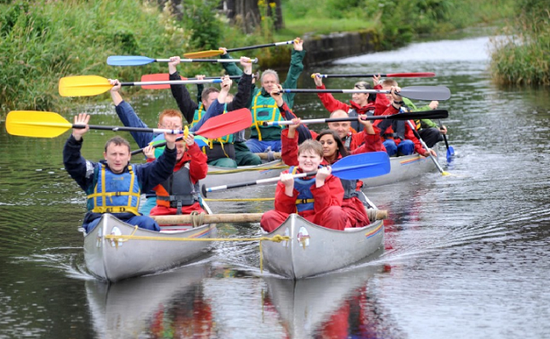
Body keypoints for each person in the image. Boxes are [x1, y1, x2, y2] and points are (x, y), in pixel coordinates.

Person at [63, 113, 178, 233]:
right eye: (113, 154)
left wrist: (170, 145)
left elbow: (164, 167)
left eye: (121, 154)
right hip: (100, 221)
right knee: (104, 225)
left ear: (129, 156)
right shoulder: (92, 172)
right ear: (105, 156)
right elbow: (72, 162)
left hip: (129, 221)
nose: (117, 159)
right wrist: (76, 137)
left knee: (149, 224)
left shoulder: (139, 173)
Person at [281, 117, 383, 227]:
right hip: (318, 207)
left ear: (337, 146)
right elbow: (290, 155)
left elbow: (372, 148)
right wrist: (292, 130)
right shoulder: (311, 164)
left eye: (329, 143)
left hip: (347, 205)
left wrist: (368, 126)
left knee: (342, 220)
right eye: (322, 143)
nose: (325, 146)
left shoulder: (349, 159)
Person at [219, 38, 308, 152]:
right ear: (262, 84)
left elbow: (294, 72)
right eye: (266, 82)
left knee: (290, 150)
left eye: (272, 82)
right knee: (244, 152)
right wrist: (225, 57)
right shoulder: (254, 94)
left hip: (281, 140)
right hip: (257, 141)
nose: (270, 84)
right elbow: (239, 77)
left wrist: (298, 52)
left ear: (278, 83)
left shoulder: (285, 93)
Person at [172, 57, 262, 167]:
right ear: (204, 101)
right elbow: (180, 94)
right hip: (199, 157)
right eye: (214, 100)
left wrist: (247, 69)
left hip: (223, 159)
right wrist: (173, 69)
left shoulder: (228, 110)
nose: (219, 101)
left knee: (238, 162)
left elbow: (243, 96)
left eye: (219, 98)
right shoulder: (192, 111)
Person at [260, 139, 349, 232]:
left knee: (336, 212)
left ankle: (330, 241)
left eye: (312, 157)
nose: (308, 160)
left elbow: (328, 209)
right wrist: (289, 187)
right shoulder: (286, 175)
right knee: (268, 216)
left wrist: (320, 182)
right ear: (298, 158)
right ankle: (286, 241)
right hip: (294, 221)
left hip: (319, 221)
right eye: (304, 156)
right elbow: (282, 211)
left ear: (321, 159)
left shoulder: (331, 177)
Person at [143, 133, 208, 216]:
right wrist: (151, 159)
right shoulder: (161, 165)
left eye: (180, 146)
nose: (177, 150)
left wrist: (193, 147)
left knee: (201, 215)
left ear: (185, 148)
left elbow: (201, 174)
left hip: (190, 210)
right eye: (174, 146)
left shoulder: (192, 163)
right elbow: (152, 183)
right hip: (163, 211)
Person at [378, 78, 447, 148]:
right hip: (387, 141)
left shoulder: (405, 101)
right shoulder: (378, 104)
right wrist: (429, 107)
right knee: (390, 144)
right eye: (386, 92)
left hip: (405, 137)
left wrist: (435, 127)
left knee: (434, 132)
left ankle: (423, 151)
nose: (389, 95)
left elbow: (416, 116)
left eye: (391, 92)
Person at [312, 73, 391, 133]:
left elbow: (385, 106)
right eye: (353, 93)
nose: (354, 96)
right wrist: (320, 86)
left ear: (367, 95)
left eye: (357, 93)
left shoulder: (376, 110)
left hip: (370, 142)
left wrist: (377, 87)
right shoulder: (347, 109)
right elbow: (329, 102)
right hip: (353, 143)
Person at [375, 86, 437, 158]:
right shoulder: (379, 111)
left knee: (408, 143)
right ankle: (388, 160)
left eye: (392, 95)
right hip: (385, 146)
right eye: (387, 94)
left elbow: (412, 136)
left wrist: (423, 151)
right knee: (390, 144)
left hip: (400, 144)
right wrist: (377, 86)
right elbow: (380, 102)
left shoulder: (404, 112)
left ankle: (403, 161)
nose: (390, 96)